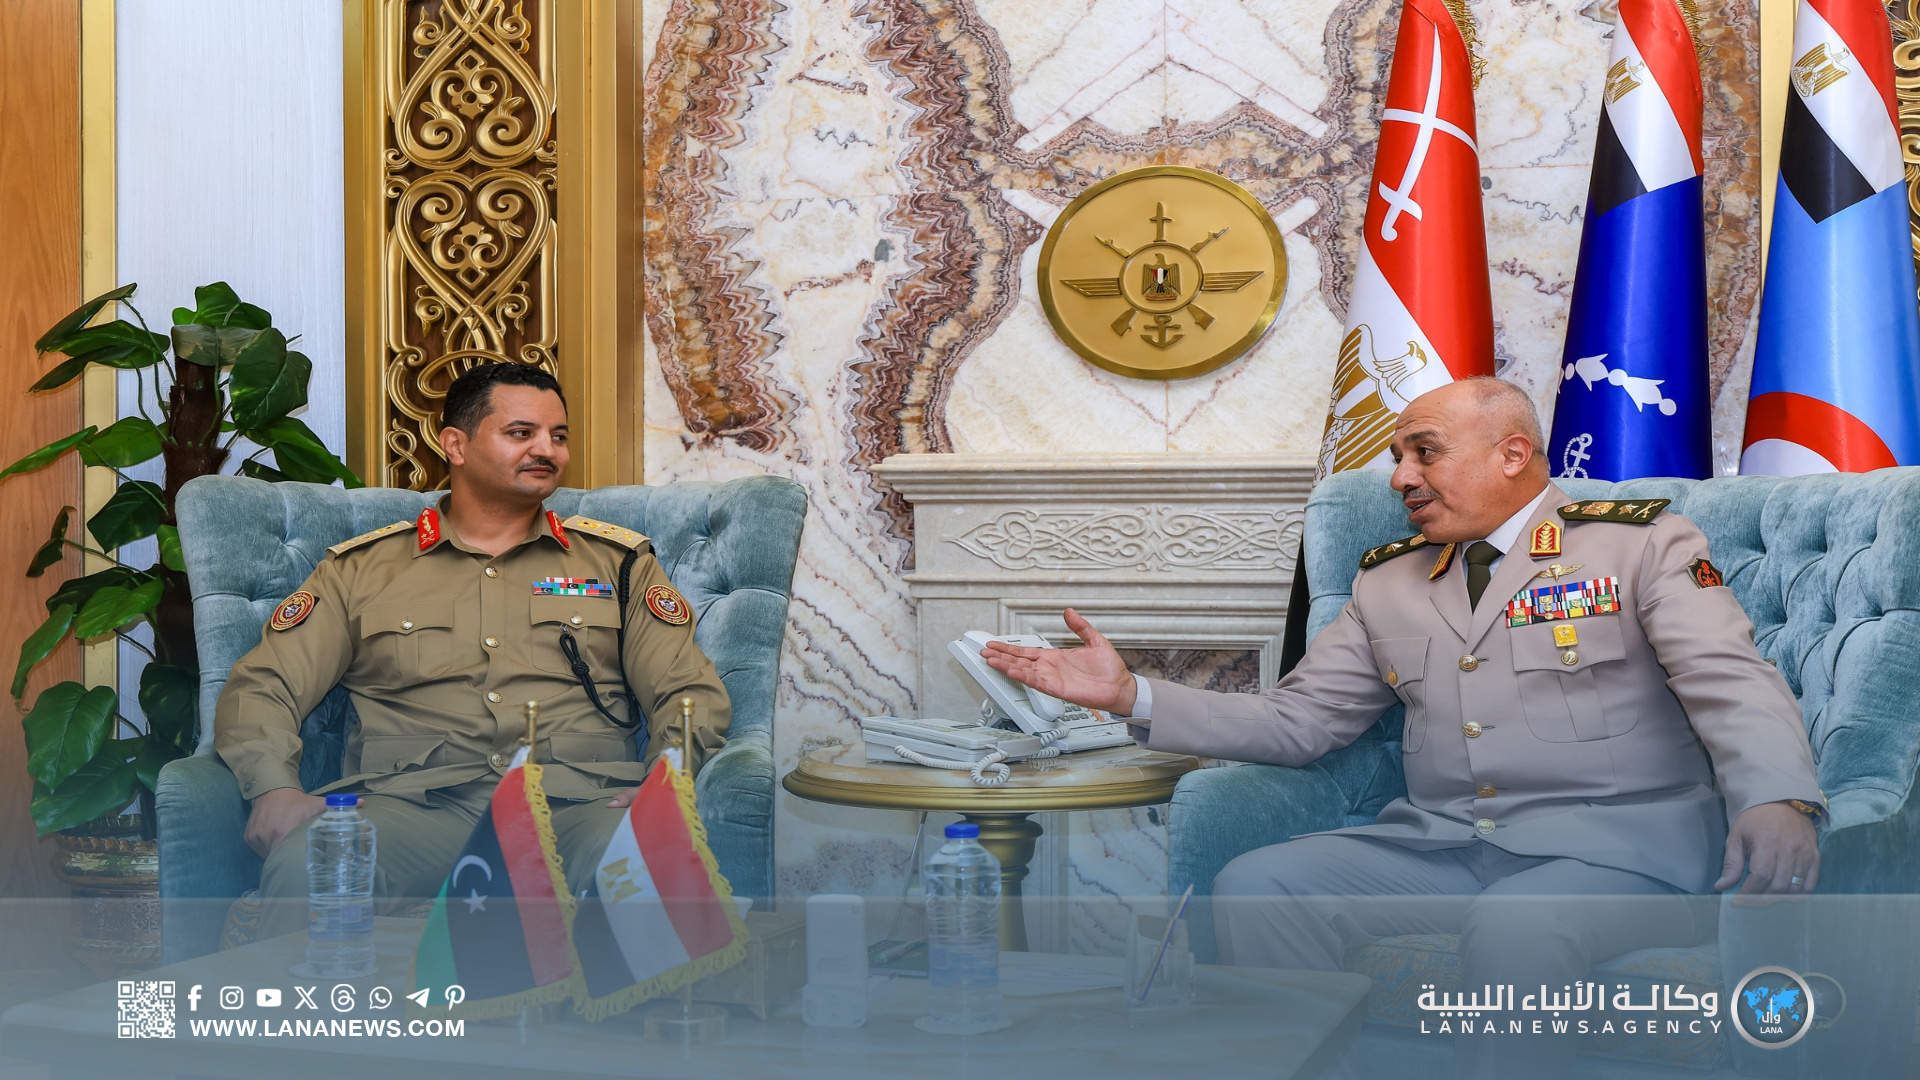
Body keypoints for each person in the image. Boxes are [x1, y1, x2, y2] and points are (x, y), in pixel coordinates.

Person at [982, 377, 1824, 1079]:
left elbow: (1727, 676)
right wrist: (1131, 694)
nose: (1400, 478)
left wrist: (1777, 795)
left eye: (1425, 452)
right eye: (1397, 456)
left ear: (1513, 455)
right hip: (1446, 846)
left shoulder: (1639, 547)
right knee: (1261, 885)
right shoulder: (1390, 584)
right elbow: (1300, 721)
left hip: (1615, 854)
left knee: (1518, 924)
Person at [216, 363, 730, 937]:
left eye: (558, 436)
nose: (548, 450)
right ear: (455, 445)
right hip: (410, 809)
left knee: (649, 866)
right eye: (521, 433)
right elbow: (265, 685)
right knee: (308, 866)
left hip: (575, 805)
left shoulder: (618, 565)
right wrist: (275, 788)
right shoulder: (361, 570)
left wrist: (667, 776)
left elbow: (686, 690)